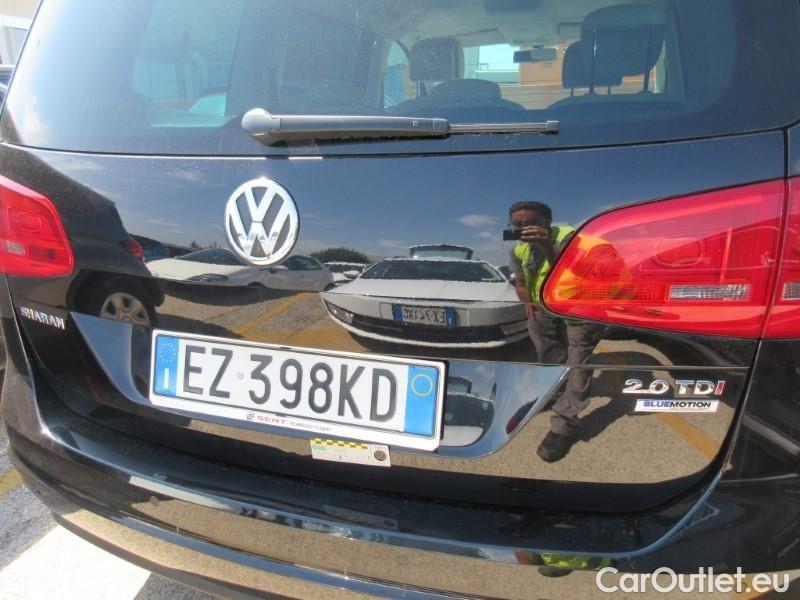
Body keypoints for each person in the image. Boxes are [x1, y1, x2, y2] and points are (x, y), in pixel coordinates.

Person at [508, 201, 602, 462]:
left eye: (531, 223)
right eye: (517, 225)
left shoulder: (571, 238)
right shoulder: (518, 249)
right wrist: (529, 302)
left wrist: (546, 245)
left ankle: (564, 424)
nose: (524, 229)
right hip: (544, 308)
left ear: (548, 222)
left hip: (580, 308)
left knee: (578, 362)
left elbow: (577, 271)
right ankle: (556, 393)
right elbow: (521, 280)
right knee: (549, 355)